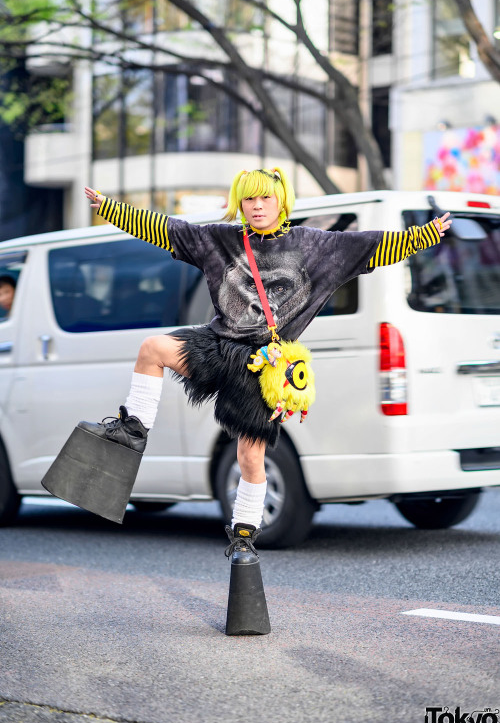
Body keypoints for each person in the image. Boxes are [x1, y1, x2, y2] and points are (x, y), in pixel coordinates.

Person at [81, 169, 452, 556]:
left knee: (250, 456)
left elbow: (374, 246)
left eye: (265, 198)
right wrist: (111, 209)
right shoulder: (219, 240)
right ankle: (132, 431)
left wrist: (424, 235)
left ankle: (244, 535)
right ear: (240, 204)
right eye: (248, 199)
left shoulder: (316, 247)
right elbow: (165, 229)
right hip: (218, 346)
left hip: (264, 365)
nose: (257, 206)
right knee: (152, 348)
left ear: (281, 202)